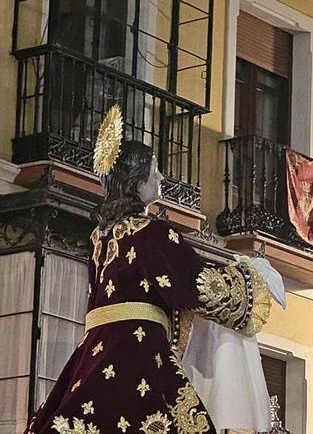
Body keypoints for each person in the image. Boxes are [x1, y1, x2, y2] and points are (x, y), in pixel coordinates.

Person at [25, 107, 276, 434]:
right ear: (138, 181)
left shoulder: (102, 238)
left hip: (93, 356)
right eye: (155, 171)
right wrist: (249, 274)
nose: (161, 179)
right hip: (137, 353)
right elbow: (198, 285)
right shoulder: (152, 233)